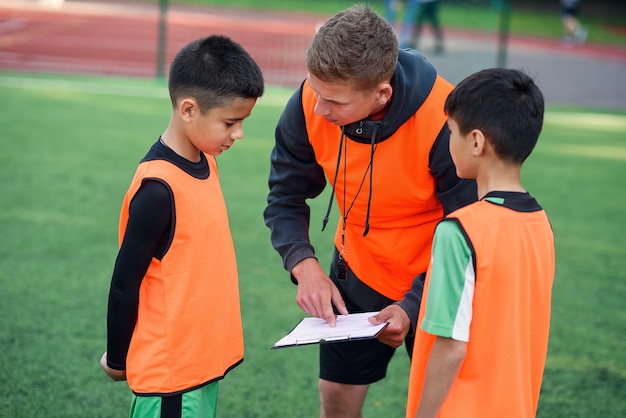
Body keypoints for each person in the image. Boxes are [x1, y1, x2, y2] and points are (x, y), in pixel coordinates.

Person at [263, 5, 476, 417]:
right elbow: (285, 197)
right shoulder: (312, 99)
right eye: (315, 92)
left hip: (436, 279)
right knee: (337, 398)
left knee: (448, 407)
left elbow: (472, 236)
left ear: (382, 94)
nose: (319, 109)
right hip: (357, 271)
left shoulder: (446, 121)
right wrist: (304, 266)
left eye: (334, 102)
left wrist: (413, 305)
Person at [99, 35, 264, 417]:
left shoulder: (207, 161)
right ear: (188, 109)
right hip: (170, 379)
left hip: (200, 365)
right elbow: (125, 282)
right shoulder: (157, 190)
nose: (238, 133)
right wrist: (119, 358)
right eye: (230, 122)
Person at [405, 68, 555, 418]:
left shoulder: (460, 230)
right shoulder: (540, 225)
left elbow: (452, 345)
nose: (447, 142)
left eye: (450, 132)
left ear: (476, 142)